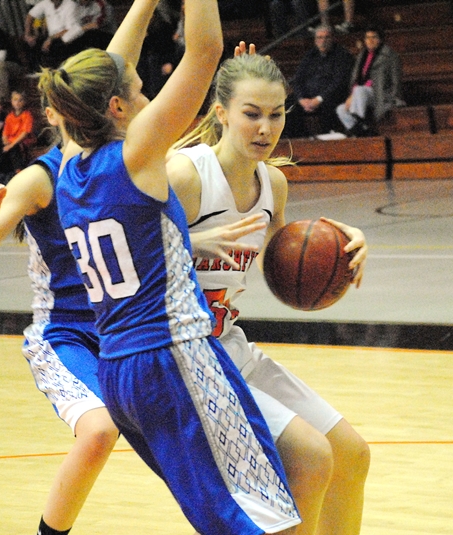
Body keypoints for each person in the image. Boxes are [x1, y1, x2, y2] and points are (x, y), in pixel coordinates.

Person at [46, 0, 301, 533]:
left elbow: (107, 75)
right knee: (262, 514)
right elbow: (206, 51)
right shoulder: (136, 157)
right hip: (175, 358)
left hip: (117, 369)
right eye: (138, 92)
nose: (146, 95)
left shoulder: (70, 161)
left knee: (224, 513)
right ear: (117, 108)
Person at [0, 3, 186, 535]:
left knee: (187, 440)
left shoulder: (117, 155)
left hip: (131, 331)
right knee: (99, 431)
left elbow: (114, 64)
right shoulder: (41, 177)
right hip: (69, 334)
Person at [167, 47, 370, 535]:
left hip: (228, 345)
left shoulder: (272, 183)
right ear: (221, 114)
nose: (265, 128)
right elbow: (121, 255)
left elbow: (285, 252)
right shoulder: (186, 175)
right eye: (251, 114)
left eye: (276, 114)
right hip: (180, 356)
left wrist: (340, 242)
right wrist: (192, 241)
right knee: (311, 459)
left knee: (351, 456)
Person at [283, 24, 353, 138]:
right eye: (319, 38)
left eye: (326, 37)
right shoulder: (310, 55)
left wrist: (319, 99)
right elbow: (298, 79)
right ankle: (299, 138)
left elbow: (339, 82)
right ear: (315, 40)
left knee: (330, 103)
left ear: (333, 38)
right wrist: (301, 99)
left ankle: (328, 136)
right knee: (287, 105)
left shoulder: (342, 55)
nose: (323, 41)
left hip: (329, 96)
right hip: (307, 98)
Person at [336, 25, 404, 137]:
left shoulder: (390, 56)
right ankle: (362, 130)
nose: (370, 40)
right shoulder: (361, 55)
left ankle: (358, 120)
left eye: (374, 37)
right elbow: (357, 79)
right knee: (340, 109)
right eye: (367, 37)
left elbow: (396, 79)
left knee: (359, 90)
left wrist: (395, 98)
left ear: (380, 39)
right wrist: (351, 96)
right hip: (361, 94)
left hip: (381, 93)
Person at [23, 0, 83, 69]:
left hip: (66, 37)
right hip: (51, 37)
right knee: (29, 44)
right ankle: (35, 72)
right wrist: (28, 34)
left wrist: (51, 39)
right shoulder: (46, 3)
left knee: (54, 46)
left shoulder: (70, 5)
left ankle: (57, 72)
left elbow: (70, 30)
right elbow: (30, 16)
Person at [1, 90, 36, 179]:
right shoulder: (9, 116)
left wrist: (11, 145)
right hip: (11, 141)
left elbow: (24, 133)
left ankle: (18, 172)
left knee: (14, 149)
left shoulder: (27, 115)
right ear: (11, 101)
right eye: (15, 100)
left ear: (24, 102)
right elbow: (5, 133)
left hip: (23, 141)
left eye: (20, 100)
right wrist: (6, 142)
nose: (17, 102)